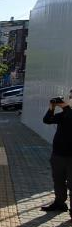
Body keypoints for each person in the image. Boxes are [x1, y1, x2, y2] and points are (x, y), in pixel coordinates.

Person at [41, 89, 72, 217]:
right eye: (70, 96)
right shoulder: (65, 113)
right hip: (58, 154)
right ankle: (59, 203)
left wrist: (66, 107)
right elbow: (47, 120)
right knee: (58, 180)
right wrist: (52, 107)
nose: (69, 98)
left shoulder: (68, 113)